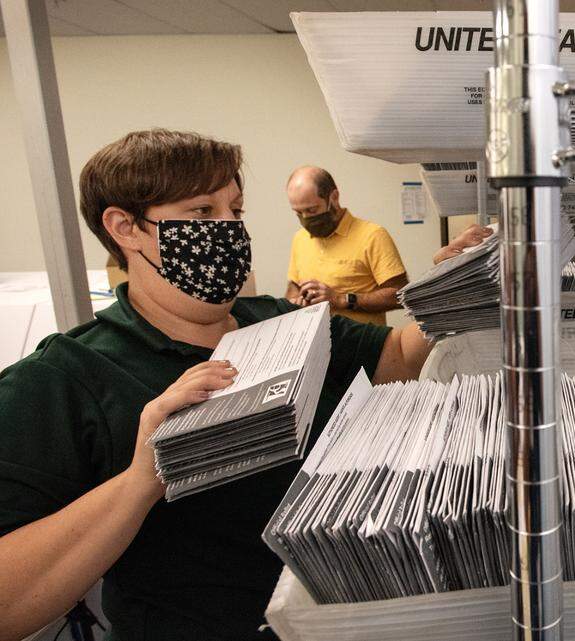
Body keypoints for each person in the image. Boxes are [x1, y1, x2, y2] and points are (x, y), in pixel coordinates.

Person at [0, 130, 448, 641]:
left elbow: (398, 357)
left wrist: (453, 288)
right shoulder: (65, 377)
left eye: (234, 211)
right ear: (125, 227)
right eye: (201, 214)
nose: (228, 230)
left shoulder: (281, 322)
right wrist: (143, 479)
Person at [285, 166, 407, 325]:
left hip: (363, 345)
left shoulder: (373, 235)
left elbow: (400, 295)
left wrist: (341, 299)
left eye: (312, 210)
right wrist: (295, 300)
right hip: (317, 343)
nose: (306, 219)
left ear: (334, 197)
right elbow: (293, 285)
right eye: (298, 213)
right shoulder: (300, 238)